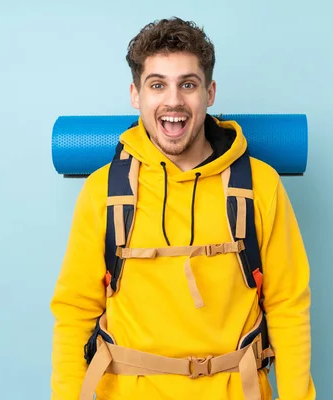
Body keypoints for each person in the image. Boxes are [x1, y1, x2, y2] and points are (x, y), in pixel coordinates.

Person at [50, 17, 316, 400]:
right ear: (135, 94)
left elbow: (288, 308)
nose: (173, 101)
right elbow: (74, 313)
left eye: (187, 85)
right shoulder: (103, 192)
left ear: (209, 92)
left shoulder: (261, 186)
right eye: (157, 84)